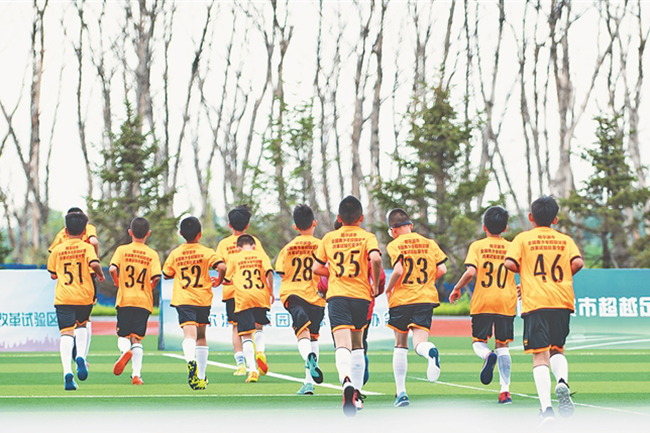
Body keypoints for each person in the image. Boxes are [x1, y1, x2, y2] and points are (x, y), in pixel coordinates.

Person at [504, 196, 584, 425]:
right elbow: (578, 263)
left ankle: (547, 410)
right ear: (555, 219)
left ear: (531, 217)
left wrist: (529, 275)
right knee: (557, 348)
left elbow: (509, 263)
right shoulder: (565, 240)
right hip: (561, 300)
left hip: (536, 301)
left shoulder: (523, 238)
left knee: (540, 356)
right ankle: (562, 381)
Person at [312, 196, 382, 417]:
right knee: (358, 344)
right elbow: (376, 260)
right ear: (361, 218)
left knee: (342, 344)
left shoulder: (329, 238)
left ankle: (346, 382)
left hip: (338, 296)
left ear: (339, 218)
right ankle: (357, 395)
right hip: (361, 296)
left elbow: (316, 268)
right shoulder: (367, 237)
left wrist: (333, 272)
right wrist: (375, 284)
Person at [449, 206, 518, 404]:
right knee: (503, 345)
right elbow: (524, 269)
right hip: (506, 302)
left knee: (478, 341)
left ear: (484, 227)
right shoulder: (512, 247)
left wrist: (457, 288)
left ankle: (487, 355)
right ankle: (505, 391)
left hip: (483, 301)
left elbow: (471, 272)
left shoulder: (477, 246)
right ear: (505, 228)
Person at [384, 208, 447, 408]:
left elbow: (398, 270)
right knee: (420, 343)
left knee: (400, 344)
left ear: (393, 230)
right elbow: (442, 268)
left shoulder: (395, 244)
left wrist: (388, 288)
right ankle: (430, 352)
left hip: (402, 298)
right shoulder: (429, 243)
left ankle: (401, 393)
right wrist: (426, 282)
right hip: (425, 298)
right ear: (410, 225)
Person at [47, 212, 105, 390]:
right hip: (84, 295)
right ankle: (80, 355)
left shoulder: (57, 249)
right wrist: (100, 274)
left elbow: (53, 274)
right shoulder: (87, 247)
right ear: (84, 231)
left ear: (66, 230)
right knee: (82, 325)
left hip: (64, 297)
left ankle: (67, 373)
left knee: (66, 333)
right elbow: (94, 264)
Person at [162, 217, 220, 390]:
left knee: (189, 335)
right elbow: (222, 267)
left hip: (184, 299)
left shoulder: (176, 253)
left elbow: (166, 274)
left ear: (181, 233)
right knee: (201, 336)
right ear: (200, 234)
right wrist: (219, 280)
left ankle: (190, 360)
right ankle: (201, 377)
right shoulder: (207, 252)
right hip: (202, 298)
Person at [276, 204, 325, 395]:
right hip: (317, 296)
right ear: (314, 223)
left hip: (294, 294)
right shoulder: (322, 245)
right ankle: (308, 382)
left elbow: (281, 272)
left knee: (301, 332)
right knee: (313, 336)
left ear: (295, 226)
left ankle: (309, 360)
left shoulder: (288, 248)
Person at [108, 217, 162, 385]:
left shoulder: (122, 250)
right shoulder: (152, 254)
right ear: (148, 234)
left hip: (125, 298)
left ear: (130, 232)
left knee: (123, 335)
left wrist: (117, 281)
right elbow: (156, 277)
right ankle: (136, 375)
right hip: (143, 300)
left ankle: (125, 351)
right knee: (137, 339)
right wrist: (150, 287)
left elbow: (112, 269)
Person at [215, 205, 267, 376]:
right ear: (247, 225)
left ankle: (241, 364)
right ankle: (260, 351)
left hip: (232, 291)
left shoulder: (223, 244)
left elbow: (221, 266)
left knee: (237, 328)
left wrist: (220, 281)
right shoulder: (253, 241)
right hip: (254, 289)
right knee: (258, 325)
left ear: (230, 224)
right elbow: (262, 263)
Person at [222, 234, 275, 384]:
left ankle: (252, 370)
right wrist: (271, 291)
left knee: (246, 335)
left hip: (243, 298)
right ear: (254, 246)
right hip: (260, 295)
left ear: (238, 248)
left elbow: (227, 280)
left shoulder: (234, 258)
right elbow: (269, 272)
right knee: (259, 327)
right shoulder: (261, 256)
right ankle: (260, 351)